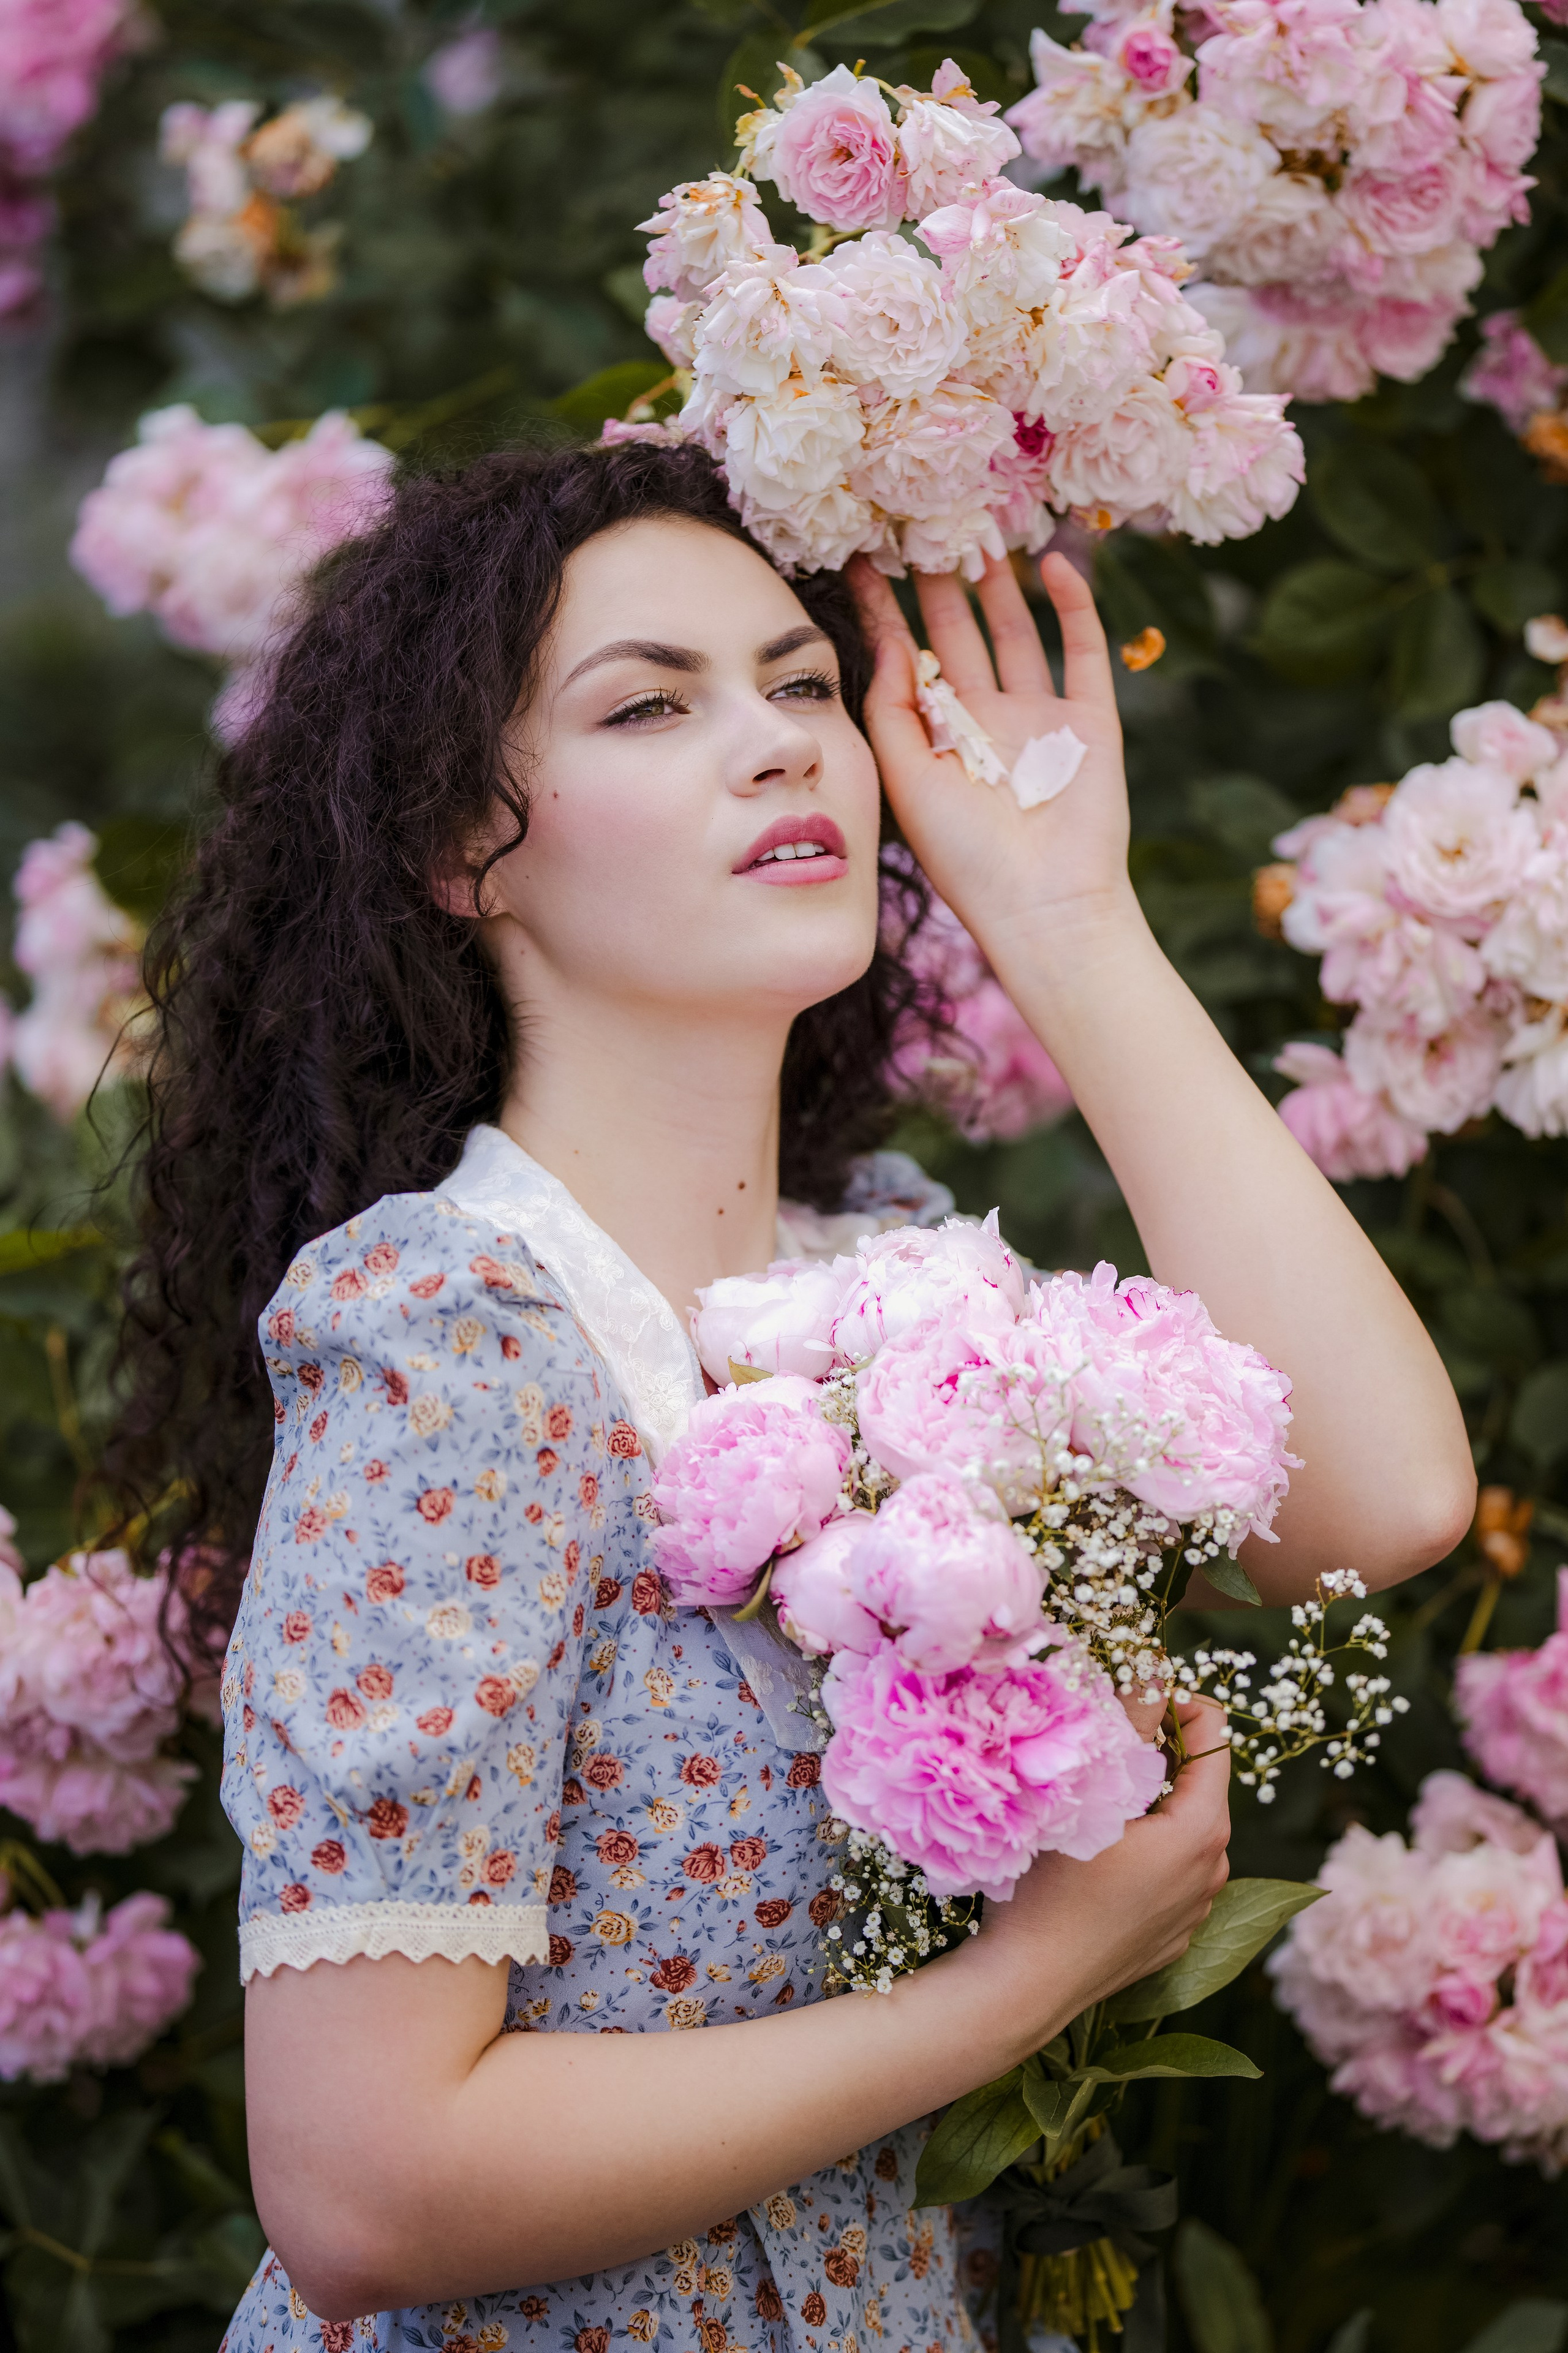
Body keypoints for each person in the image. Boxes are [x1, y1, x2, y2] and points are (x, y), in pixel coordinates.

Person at [107, 438, 1473, 2353]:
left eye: (804, 684)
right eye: (650, 702)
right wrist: (1006, 1998)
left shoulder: (904, 1283)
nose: (779, 742)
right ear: (457, 842)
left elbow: (1391, 1498)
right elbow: (361, 2184)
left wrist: (1070, 923)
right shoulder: (454, 1337)